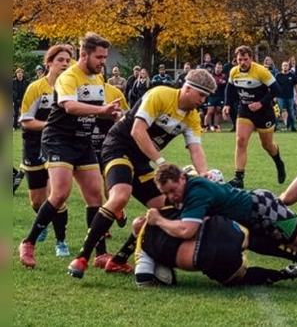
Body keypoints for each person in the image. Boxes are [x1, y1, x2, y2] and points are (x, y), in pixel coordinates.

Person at [66, 69, 216, 278]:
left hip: (141, 160)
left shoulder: (192, 117)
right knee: (120, 196)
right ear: (188, 89)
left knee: (166, 208)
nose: (204, 100)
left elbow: (196, 149)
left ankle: (118, 260)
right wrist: (161, 162)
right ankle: (82, 257)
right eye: (202, 95)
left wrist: (204, 172)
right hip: (119, 147)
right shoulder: (160, 95)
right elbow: (137, 131)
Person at [147, 163, 297, 279]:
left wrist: (158, 220)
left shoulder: (195, 191)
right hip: (252, 218)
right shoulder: (190, 185)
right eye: (166, 193)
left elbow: (187, 230)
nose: (171, 196)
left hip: (265, 210)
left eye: (172, 190)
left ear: (181, 178)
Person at [18, 33, 122, 269]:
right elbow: (70, 106)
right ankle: (28, 242)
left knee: (95, 196)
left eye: (105, 57)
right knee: (60, 193)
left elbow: (97, 110)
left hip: (82, 141)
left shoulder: (97, 78)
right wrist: (102, 110)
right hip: (58, 139)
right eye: (99, 57)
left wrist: (112, 116)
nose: (103, 61)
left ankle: (100, 254)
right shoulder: (69, 77)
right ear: (84, 55)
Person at [134, 205, 297, 287]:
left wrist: (159, 275)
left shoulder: (143, 249)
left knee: (239, 277)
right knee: (249, 237)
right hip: (217, 231)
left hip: (209, 258)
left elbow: (142, 278)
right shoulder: (162, 211)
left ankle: (283, 274)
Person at [18, 45, 73, 258]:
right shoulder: (36, 88)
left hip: (58, 146)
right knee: (36, 201)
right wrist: (50, 126)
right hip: (33, 144)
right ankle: (44, 219)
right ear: (49, 63)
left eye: (68, 60)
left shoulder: (70, 88)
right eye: (60, 60)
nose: (65, 64)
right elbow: (25, 121)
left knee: (57, 195)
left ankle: (61, 241)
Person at [223, 46, 286, 188]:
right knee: (240, 140)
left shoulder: (261, 71)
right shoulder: (234, 72)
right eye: (240, 60)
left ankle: (278, 162)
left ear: (251, 58)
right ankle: (239, 178)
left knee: (267, 145)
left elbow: (277, 89)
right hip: (245, 110)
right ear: (236, 59)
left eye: (245, 59)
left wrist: (261, 103)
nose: (242, 62)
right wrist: (227, 104)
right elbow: (230, 89)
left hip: (264, 112)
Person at [276, 61, 297, 132]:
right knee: (278, 112)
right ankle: (274, 127)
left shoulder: (292, 75)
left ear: (288, 67)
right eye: (284, 65)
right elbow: (275, 86)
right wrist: (274, 96)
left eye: (286, 65)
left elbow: (296, 86)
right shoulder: (278, 75)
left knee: (291, 113)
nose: (285, 67)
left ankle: (293, 127)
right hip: (280, 97)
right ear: (282, 67)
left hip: (290, 97)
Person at [204, 62, 228, 132]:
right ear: (215, 68)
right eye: (217, 67)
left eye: (220, 68)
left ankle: (216, 126)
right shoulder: (211, 76)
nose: (218, 69)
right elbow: (207, 85)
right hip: (212, 96)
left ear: (222, 69)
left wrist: (222, 83)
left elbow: (226, 86)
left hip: (220, 96)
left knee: (217, 111)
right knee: (210, 111)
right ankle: (205, 126)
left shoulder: (224, 76)